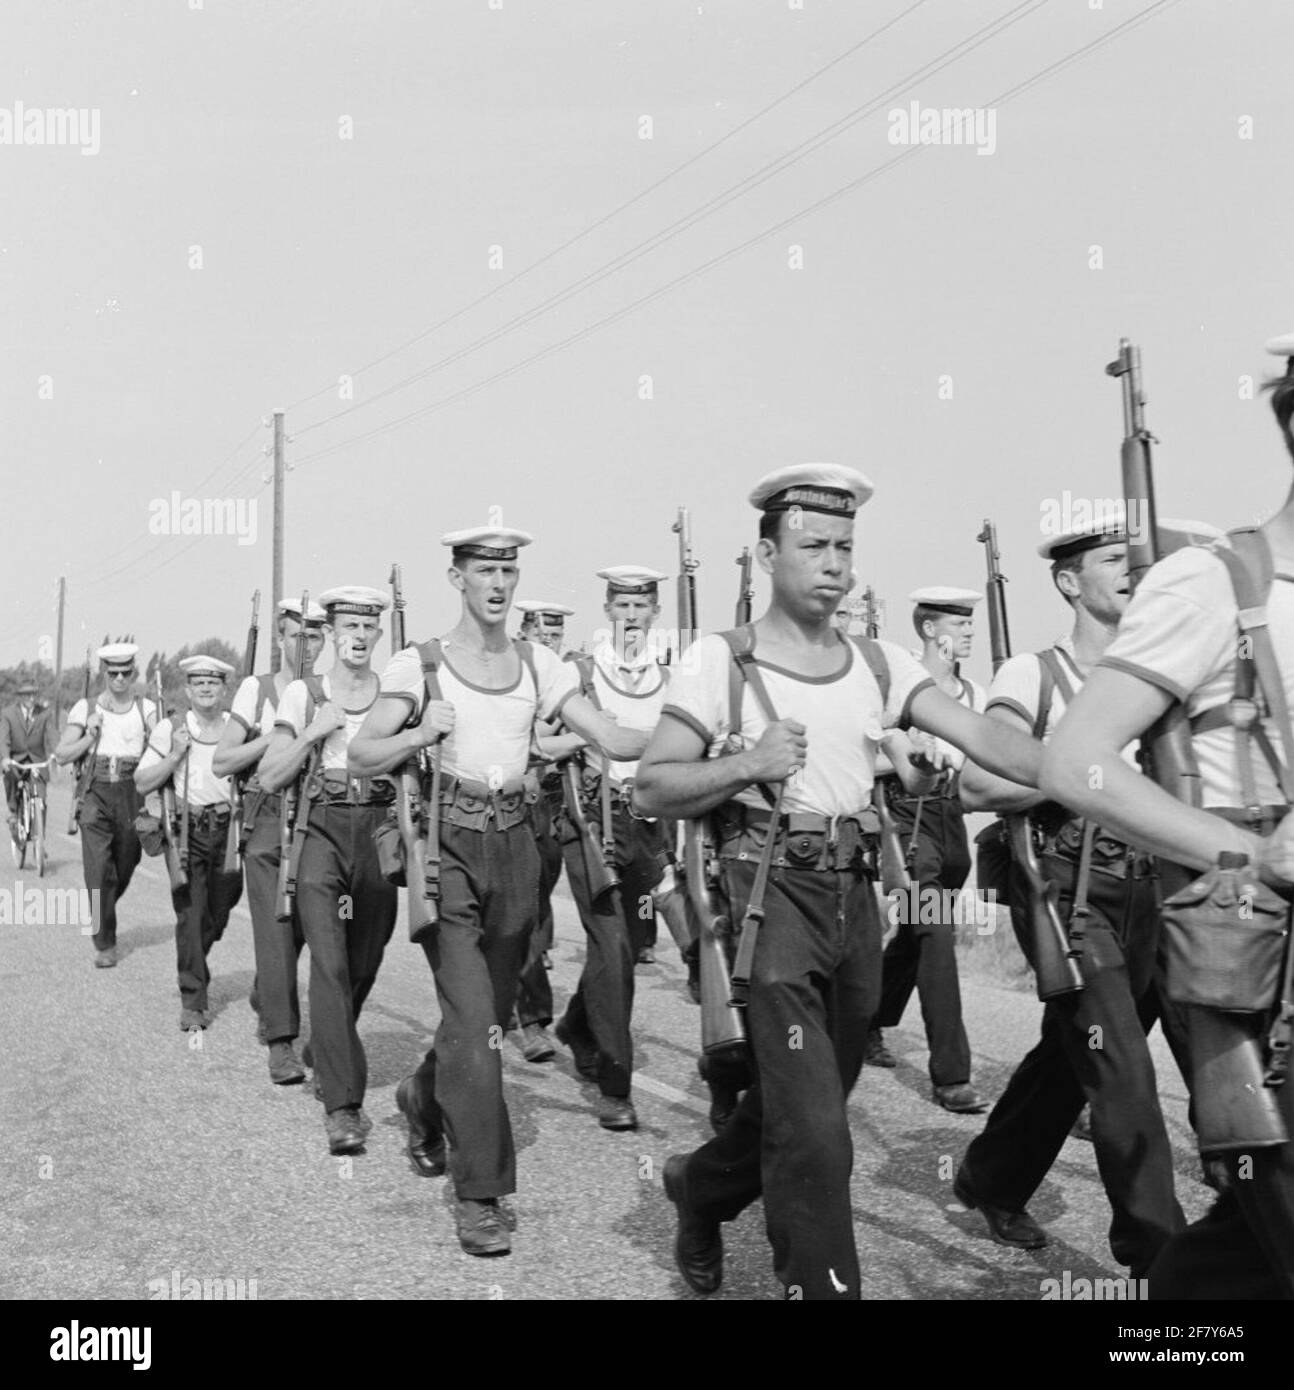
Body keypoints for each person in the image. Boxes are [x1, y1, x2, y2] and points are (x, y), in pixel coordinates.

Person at [634, 464, 1044, 1300]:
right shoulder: (723, 660)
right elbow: (651, 785)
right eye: (813, 545)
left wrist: (1091, 769)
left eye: (845, 547)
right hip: (768, 895)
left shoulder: (880, 662)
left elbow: (986, 739)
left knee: (809, 1101)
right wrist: (749, 761)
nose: (833, 563)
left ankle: (701, 1187)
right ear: (766, 553)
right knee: (820, 1134)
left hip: (855, 902)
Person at [1041, 335, 1294, 1298]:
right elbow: (1076, 761)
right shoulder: (1217, 583)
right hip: (1260, 967)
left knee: (1233, 1259)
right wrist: (1248, 848)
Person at [348, 525, 649, 1257]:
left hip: (517, 848)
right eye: (484, 570)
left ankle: (422, 1096)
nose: (498, 584)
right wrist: (419, 736)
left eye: (508, 571)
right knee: (476, 1019)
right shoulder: (417, 665)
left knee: (483, 1012)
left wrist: (700, 731)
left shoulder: (540, 663)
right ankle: (481, 1193)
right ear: (457, 578)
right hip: (447, 845)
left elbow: (610, 736)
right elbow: (362, 754)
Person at [955, 515, 1188, 1278]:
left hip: (1154, 891)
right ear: (1068, 581)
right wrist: (1082, 773)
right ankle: (1163, 1262)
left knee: (1077, 1052)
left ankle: (991, 1175)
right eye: (1115, 560)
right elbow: (978, 782)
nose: (1133, 571)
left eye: (1140, 561)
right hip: (1068, 892)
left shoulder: (1159, 678)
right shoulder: (1036, 674)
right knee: (1122, 1071)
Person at [258, 586, 396, 1156]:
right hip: (320, 829)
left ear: (378, 636)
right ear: (331, 635)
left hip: (380, 829)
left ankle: (329, 1040)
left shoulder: (395, 697)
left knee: (366, 957)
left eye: (369, 629)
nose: (359, 638)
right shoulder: (302, 693)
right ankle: (342, 1106)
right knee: (330, 963)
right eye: (348, 629)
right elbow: (269, 775)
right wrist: (316, 731)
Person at [551, 565, 672, 1131]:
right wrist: (590, 735)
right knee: (612, 946)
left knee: (619, 948)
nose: (630, 618)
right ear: (608, 610)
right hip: (589, 820)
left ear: (654, 613)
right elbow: (533, 741)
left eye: (640, 608)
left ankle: (577, 1024)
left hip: (648, 824)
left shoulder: (670, 678)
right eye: (621, 607)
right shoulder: (577, 672)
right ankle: (615, 1085)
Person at [868, 587, 987, 1113]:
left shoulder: (976, 696)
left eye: (969, 624)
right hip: (907, 822)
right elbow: (862, 756)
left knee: (916, 939)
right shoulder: (895, 688)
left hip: (953, 823)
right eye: (959, 625)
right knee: (936, 934)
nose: (967, 632)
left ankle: (867, 1018)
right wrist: (909, 757)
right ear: (931, 631)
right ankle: (951, 1074)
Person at [213, 597, 327, 1082]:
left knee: (309, 925)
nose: (306, 645)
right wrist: (276, 735)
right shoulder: (255, 691)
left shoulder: (329, 690)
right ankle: (281, 1038)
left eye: (316, 636)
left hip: (319, 816)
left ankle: (269, 987)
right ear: (279, 639)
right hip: (266, 816)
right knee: (276, 926)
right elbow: (222, 761)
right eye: (296, 635)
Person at [136, 655, 244, 1030]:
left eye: (213, 682)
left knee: (220, 909)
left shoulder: (237, 727)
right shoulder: (171, 729)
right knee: (191, 914)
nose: (205, 688)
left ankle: (194, 956)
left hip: (229, 831)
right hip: (187, 832)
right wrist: (175, 754)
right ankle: (193, 1001)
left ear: (224, 688)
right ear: (187, 689)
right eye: (198, 683)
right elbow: (143, 781)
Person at [56, 643, 157, 969]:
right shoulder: (85, 708)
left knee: (125, 865)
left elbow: (160, 749)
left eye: (125, 672)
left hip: (132, 793)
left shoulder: (147, 710)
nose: (119, 678)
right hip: (96, 791)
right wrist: (88, 735)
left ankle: (103, 911)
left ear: (134, 672)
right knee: (98, 872)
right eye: (112, 672)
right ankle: (104, 943)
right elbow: (62, 753)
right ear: (104, 673)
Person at [510, 599, 576, 1062]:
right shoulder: (507, 676)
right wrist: (572, 738)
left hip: (548, 806)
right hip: (505, 805)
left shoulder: (567, 684)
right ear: (524, 634)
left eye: (555, 638)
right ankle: (533, 1021)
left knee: (532, 910)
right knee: (519, 915)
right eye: (540, 636)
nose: (548, 645)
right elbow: (526, 745)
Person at [1, 676, 55, 837]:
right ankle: (12, 810)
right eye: (26, 695)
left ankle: (40, 842)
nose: (31, 698)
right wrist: (4, 757)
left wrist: (57, 754)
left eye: (33, 694)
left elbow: (52, 735)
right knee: (9, 774)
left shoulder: (44, 713)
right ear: (20, 697)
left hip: (37, 761)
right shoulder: (8, 714)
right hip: (16, 759)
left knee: (42, 802)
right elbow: (3, 738)